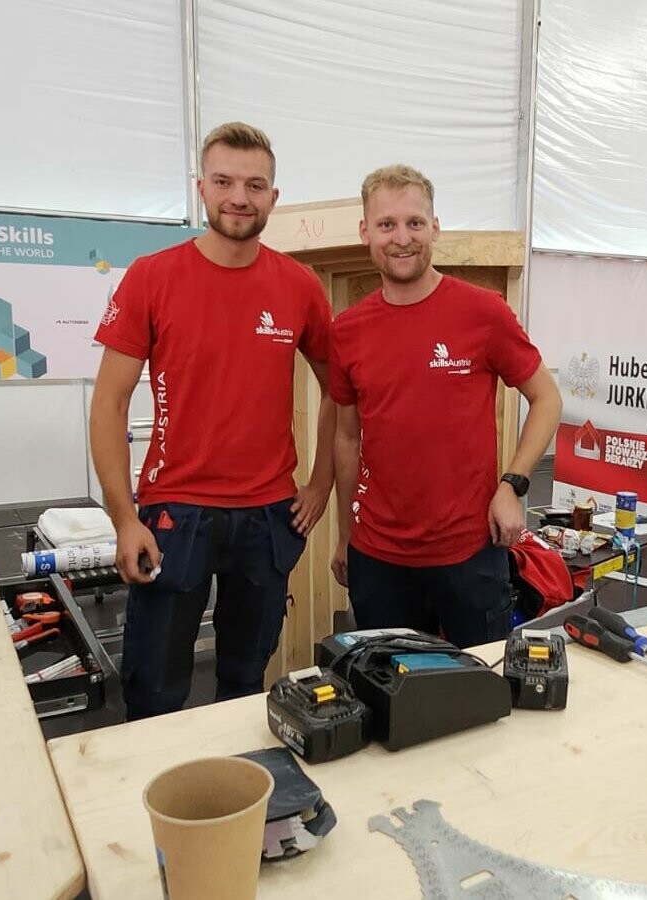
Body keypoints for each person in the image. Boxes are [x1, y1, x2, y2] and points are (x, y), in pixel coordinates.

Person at [89, 122, 335, 720]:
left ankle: (234, 801)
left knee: (245, 687)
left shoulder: (299, 286)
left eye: (255, 185)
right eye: (224, 181)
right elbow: (109, 405)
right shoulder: (152, 276)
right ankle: (154, 805)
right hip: (176, 514)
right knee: (154, 691)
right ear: (201, 187)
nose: (239, 197)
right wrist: (124, 518)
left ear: (274, 197)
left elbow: (341, 393)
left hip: (268, 519)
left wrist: (321, 482)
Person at [329, 164, 562, 649]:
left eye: (415, 223)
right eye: (387, 224)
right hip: (379, 557)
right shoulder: (347, 330)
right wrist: (344, 535)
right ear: (365, 231)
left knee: (481, 696)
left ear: (435, 227)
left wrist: (512, 486)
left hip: (470, 553)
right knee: (388, 698)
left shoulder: (484, 312)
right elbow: (347, 436)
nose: (401, 238)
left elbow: (546, 398)